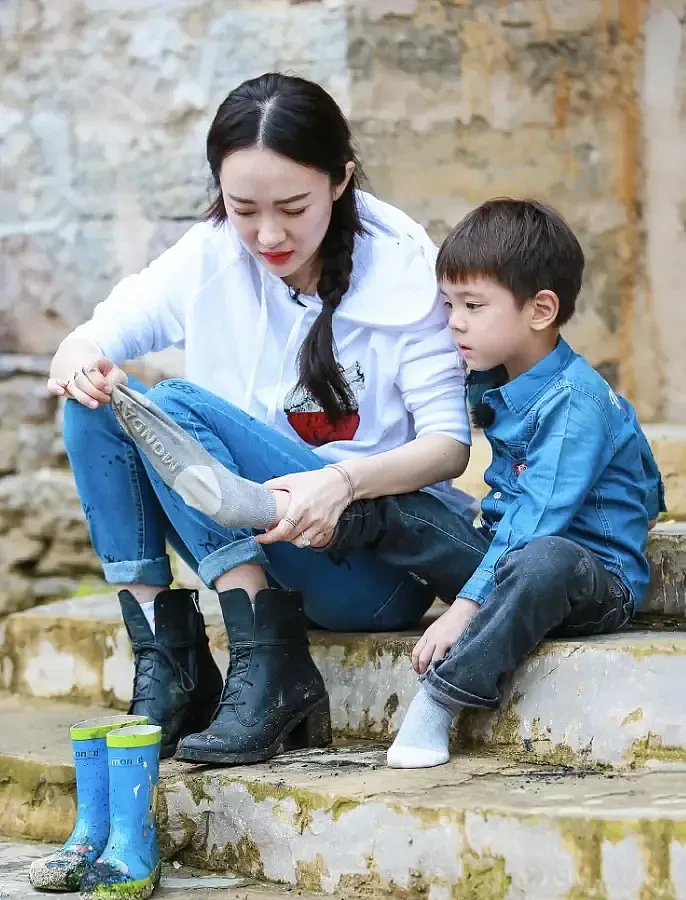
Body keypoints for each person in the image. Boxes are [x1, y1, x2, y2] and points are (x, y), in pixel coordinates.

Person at [48, 73, 473, 765]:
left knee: (176, 406)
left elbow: (448, 446)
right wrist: (78, 355)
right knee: (96, 401)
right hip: (258, 544)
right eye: (243, 208)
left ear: (341, 180)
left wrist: (340, 482)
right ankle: (174, 660)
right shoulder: (211, 253)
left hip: (365, 564)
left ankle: (269, 661)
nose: (267, 233)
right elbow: (105, 331)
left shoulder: (404, 271)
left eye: (293, 206)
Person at [324, 198, 666, 769]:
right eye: (449, 303)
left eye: (473, 305)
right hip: (507, 552)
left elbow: (538, 525)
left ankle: (442, 699)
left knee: (544, 557)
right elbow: (649, 486)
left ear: (540, 310)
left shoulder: (576, 403)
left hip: (586, 579)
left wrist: (463, 607)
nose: (454, 320)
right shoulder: (491, 374)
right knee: (408, 497)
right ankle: (303, 531)